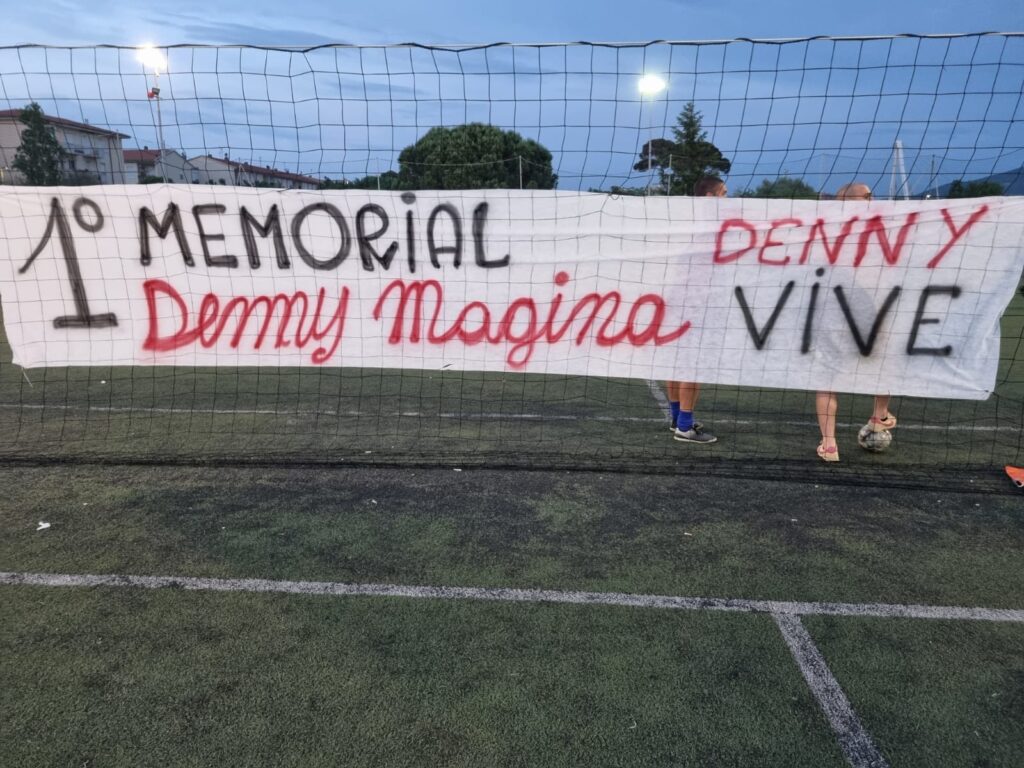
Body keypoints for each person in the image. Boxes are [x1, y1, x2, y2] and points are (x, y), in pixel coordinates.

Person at [815, 182, 897, 462]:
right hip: (861, 306)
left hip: (837, 308)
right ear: (856, 199)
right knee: (880, 366)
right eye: (869, 195)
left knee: (828, 378)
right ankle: (879, 415)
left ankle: (830, 444)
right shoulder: (880, 227)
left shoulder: (828, 228)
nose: (874, 199)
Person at [667, 175, 726, 445]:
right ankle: (684, 427)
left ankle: (677, 418)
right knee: (693, 364)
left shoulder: (687, 220)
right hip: (694, 303)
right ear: (710, 197)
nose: (727, 198)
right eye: (724, 193)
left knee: (677, 362)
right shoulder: (707, 227)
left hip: (677, 301)